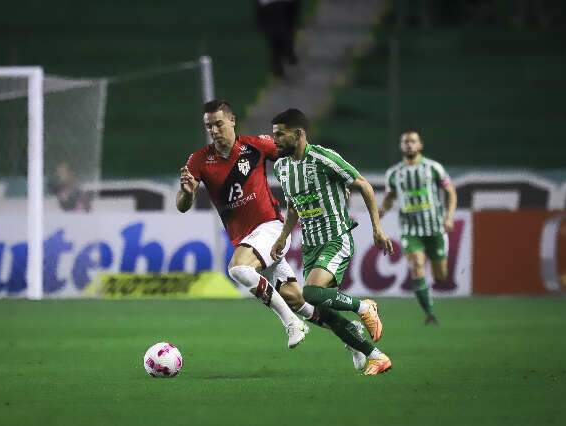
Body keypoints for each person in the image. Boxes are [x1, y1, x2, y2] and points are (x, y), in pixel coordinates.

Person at [178, 100, 382, 373]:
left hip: (272, 228)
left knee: (238, 269)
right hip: (248, 239)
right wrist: (188, 193)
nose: (213, 130)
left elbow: (299, 150)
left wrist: (332, 181)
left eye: (218, 124)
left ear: (232, 121)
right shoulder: (199, 159)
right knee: (300, 301)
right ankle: (354, 337)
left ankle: (291, 324)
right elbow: (182, 205)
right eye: (208, 126)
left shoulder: (256, 146)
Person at [270, 108, 394, 375]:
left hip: (336, 239)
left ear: (299, 134)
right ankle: (375, 355)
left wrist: (377, 229)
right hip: (311, 246)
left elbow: (364, 185)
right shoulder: (281, 167)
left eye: (280, 134)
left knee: (311, 294)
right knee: (320, 310)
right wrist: (282, 237)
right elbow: (293, 206)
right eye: (273, 135)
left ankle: (364, 306)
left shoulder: (323, 158)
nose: (275, 140)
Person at [380, 131, 457, 325]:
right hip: (410, 230)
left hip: (435, 228)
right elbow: (390, 199)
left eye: (412, 141)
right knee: (416, 264)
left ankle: (434, 281)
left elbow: (451, 192)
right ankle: (429, 314)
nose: (409, 145)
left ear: (420, 145)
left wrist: (449, 217)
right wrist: (380, 212)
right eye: (405, 142)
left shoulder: (433, 168)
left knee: (440, 276)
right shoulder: (394, 173)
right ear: (401, 146)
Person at [255, 0, 300, 78]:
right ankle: (286, 55)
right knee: (283, 34)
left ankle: (279, 64)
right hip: (280, 7)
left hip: (270, 8)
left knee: (275, 40)